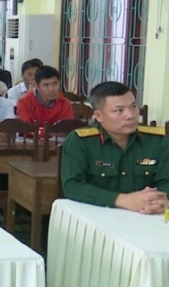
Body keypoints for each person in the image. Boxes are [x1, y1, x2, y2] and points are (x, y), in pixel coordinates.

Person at [61, 81, 168, 213]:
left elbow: (166, 181)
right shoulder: (80, 141)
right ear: (99, 116)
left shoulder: (158, 140)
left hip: (145, 215)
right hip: (97, 214)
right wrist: (122, 200)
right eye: (119, 110)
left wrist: (159, 200)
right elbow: (72, 186)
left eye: (133, 107)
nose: (130, 115)